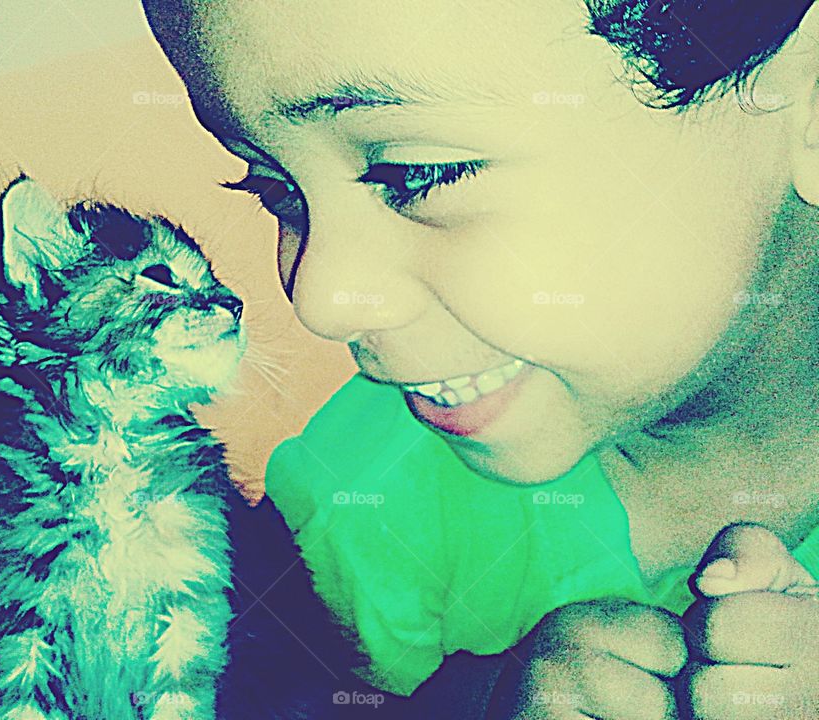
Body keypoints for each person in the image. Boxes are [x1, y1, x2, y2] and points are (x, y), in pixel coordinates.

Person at [142, 1, 819, 717]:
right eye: (275, 189)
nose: (321, 298)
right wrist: (469, 704)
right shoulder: (357, 508)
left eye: (418, 172)